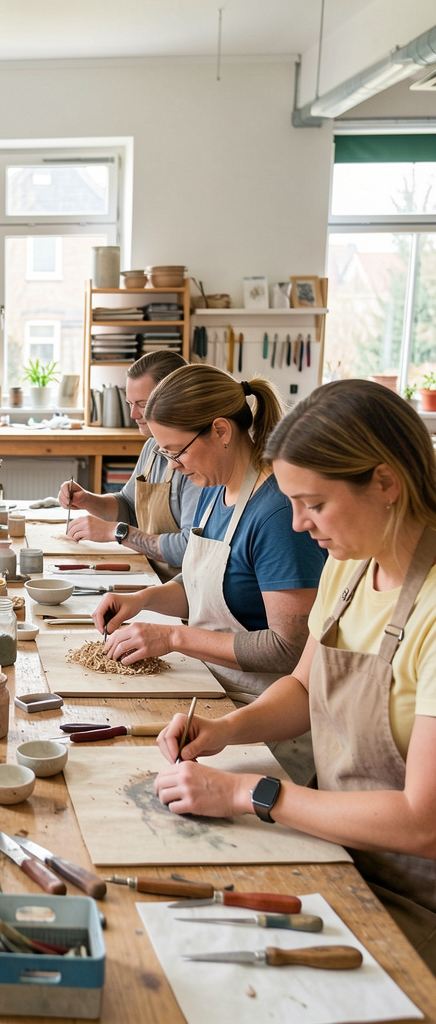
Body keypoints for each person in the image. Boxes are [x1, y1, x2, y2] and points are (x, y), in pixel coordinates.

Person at [154, 379, 436, 970]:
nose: (300, 524)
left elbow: (421, 822)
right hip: (337, 849)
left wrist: (247, 791)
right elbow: (304, 686)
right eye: (293, 502)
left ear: (385, 482)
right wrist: (228, 729)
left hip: (411, 901)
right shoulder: (350, 565)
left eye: (315, 503)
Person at [93, 365, 326, 782]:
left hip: (265, 729)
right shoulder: (214, 490)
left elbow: (287, 648)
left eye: (176, 452)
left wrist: (174, 636)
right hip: (214, 695)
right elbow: (205, 582)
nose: (174, 466)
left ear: (221, 431)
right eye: (164, 454)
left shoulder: (275, 514)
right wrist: (143, 600)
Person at [58, 351, 200, 580]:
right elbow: (129, 506)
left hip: (181, 589)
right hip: (149, 574)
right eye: (130, 403)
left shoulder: (195, 461)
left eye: (142, 404)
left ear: (174, 399)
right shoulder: (152, 447)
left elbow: (189, 547)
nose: (133, 414)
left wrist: (115, 532)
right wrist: (87, 500)